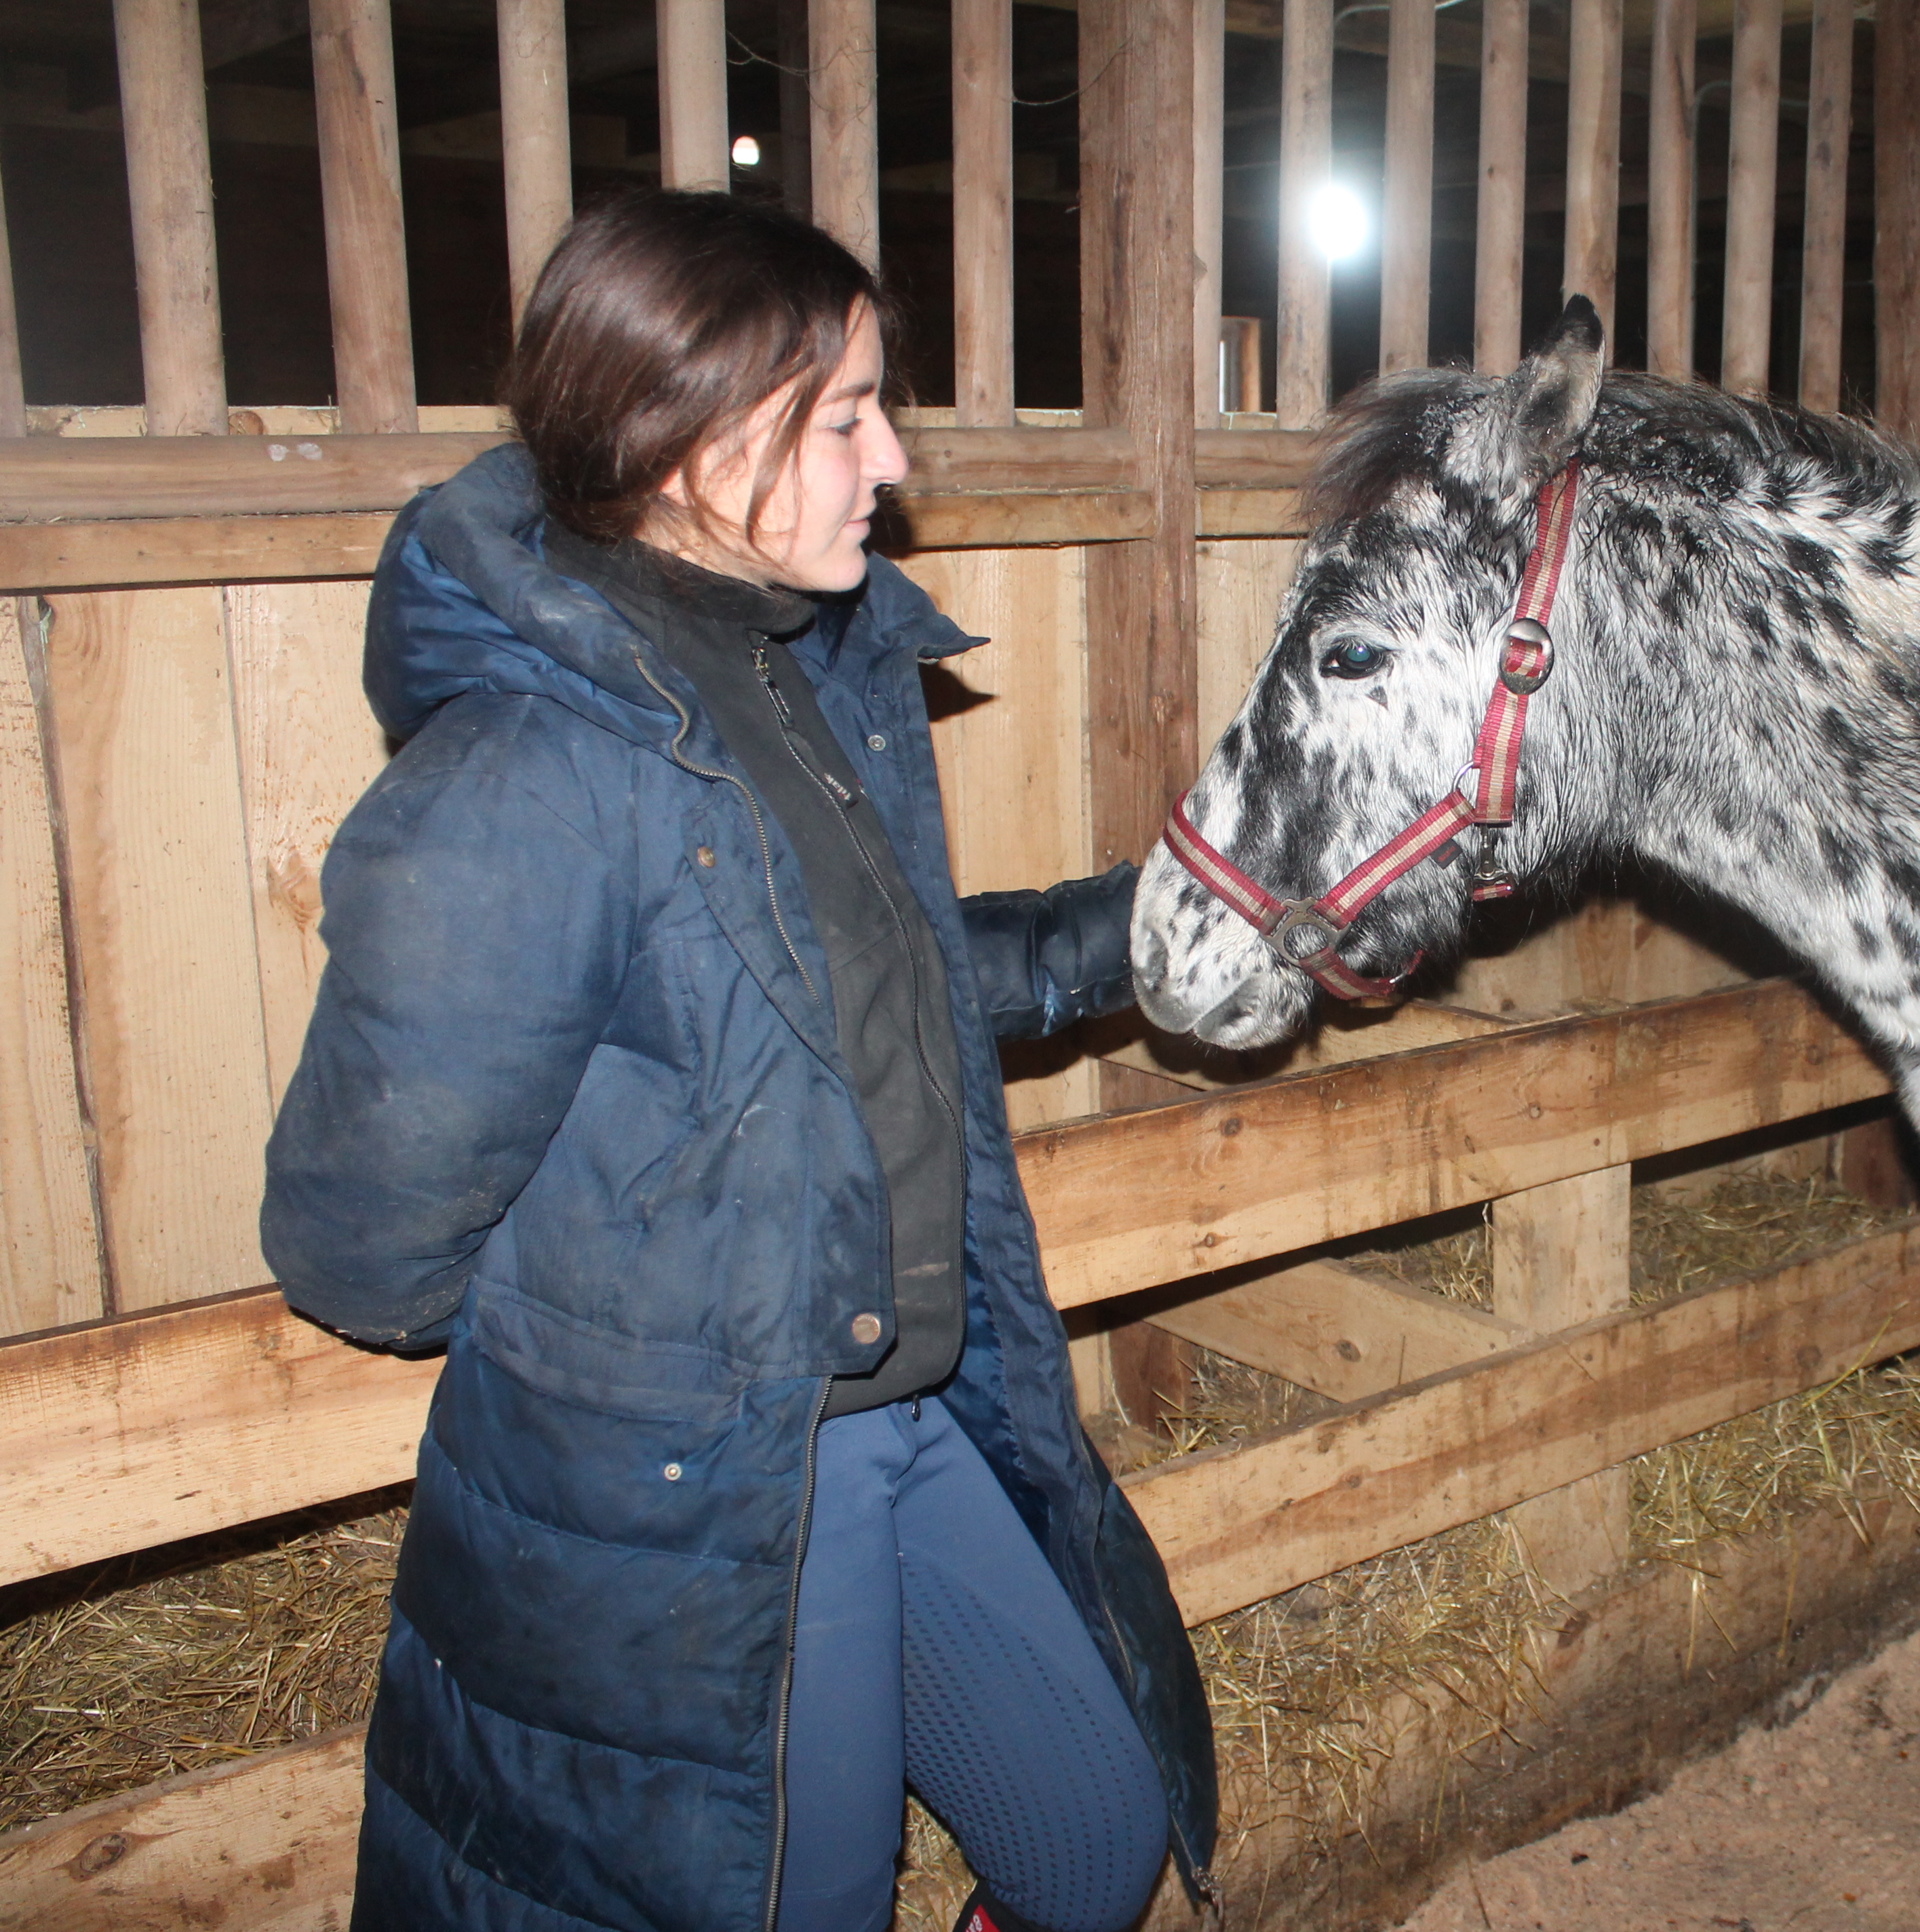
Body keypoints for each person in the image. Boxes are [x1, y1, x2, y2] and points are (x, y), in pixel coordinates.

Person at [262, 189, 1215, 1932]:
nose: (893, 453)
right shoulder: (529, 773)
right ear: (698, 439)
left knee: (1090, 1836)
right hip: (724, 1488)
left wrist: (1173, 923)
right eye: (846, 413)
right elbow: (365, 1245)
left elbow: (885, 991)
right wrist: (659, 1326)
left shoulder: (798, 675)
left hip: (902, 1406)